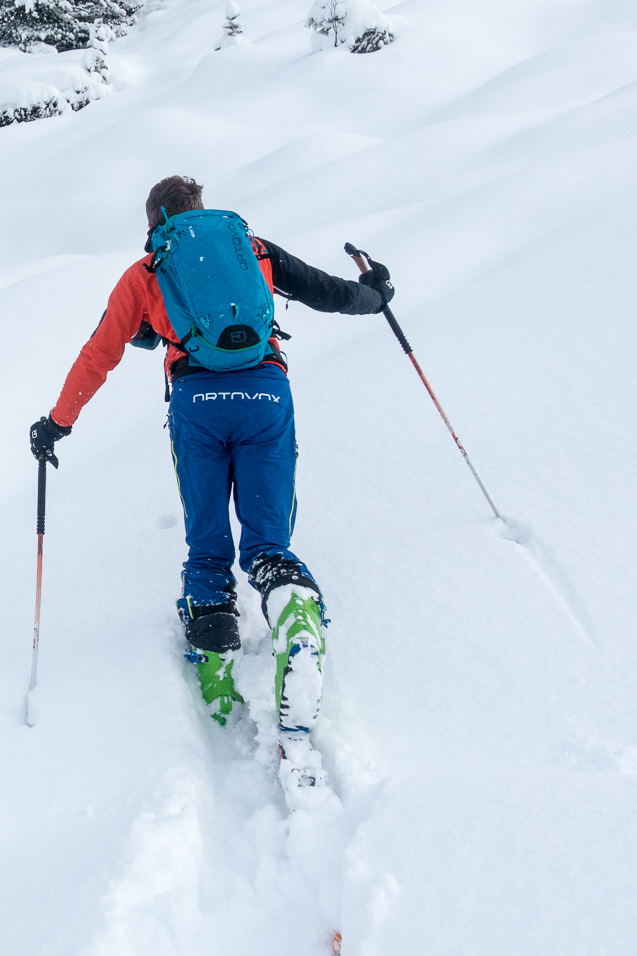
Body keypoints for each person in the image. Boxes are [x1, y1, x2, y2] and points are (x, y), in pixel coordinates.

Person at [28, 175, 393, 732]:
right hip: (266, 396)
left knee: (207, 548)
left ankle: (218, 677)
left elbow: (100, 352)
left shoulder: (146, 272)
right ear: (199, 209)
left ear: (155, 222)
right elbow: (329, 291)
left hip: (198, 406)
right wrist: (377, 294)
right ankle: (294, 618)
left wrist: (58, 423)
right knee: (269, 541)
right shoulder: (251, 248)